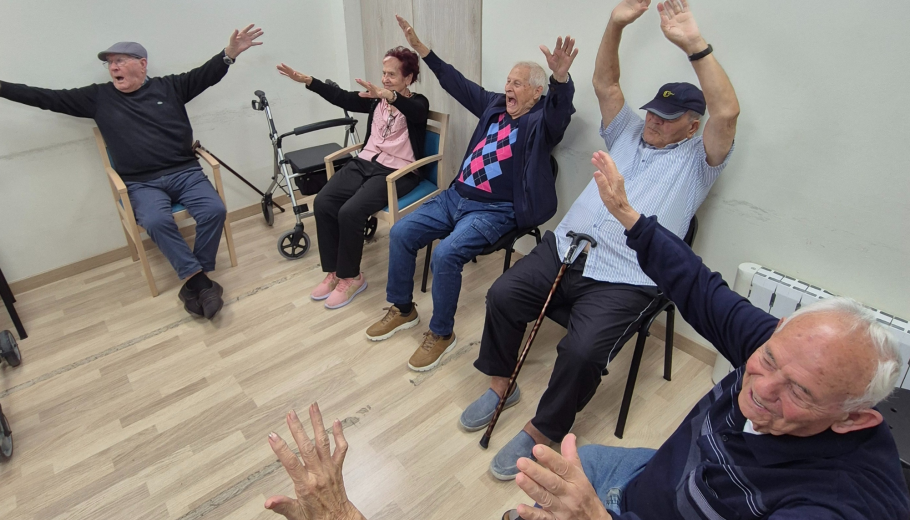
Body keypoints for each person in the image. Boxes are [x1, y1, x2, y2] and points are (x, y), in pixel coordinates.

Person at [501, 150, 910, 520]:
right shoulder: (776, 347)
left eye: (800, 393)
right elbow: (700, 287)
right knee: (584, 460)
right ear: (779, 329)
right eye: (768, 359)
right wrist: (627, 215)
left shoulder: (842, 501)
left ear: (852, 418)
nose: (762, 388)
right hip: (659, 478)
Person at [463, 0, 741, 481]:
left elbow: (729, 111)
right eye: (653, 110)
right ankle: (501, 384)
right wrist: (614, 24)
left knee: (582, 351)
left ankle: (541, 430)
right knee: (502, 294)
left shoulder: (701, 160)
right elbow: (606, 85)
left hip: (628, 277)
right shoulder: (630, 131)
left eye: (667, 117)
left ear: (693, 125)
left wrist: (695, 45)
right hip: (566, 248)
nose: (653, 120)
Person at [0, 26, 263, 319]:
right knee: (155, 220)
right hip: (141, 183)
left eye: (120, 60)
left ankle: (194, 281)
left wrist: (230, 54)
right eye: (110, 63)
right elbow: (44, 97)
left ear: (142, 64)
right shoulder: (97, 97)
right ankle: (201, 282)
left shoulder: (171, 87)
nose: (113, 67)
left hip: (185, 172)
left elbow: (206, 74)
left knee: (214, 210)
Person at [364, 15, 577, 373]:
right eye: (508, 80)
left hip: (494, 211)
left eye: (519, 83)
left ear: (536, 93)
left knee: (446, 254)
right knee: (401, 232)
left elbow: (560, 111)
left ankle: (442, 334)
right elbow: (456, 83)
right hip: (455, 197)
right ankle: (403, 308)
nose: (509, 87)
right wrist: (421, 50)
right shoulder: (494, 106)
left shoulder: (542, 123)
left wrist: (560, 80)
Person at [277, 48, 429, 309]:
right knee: (323, 201)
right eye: (383, 73)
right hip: (365, 162)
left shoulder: (418, 103)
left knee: (350, 212)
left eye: (392, 74)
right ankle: (335, 272)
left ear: (409, 77)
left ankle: (353, 278)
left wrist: (390, 96)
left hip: (397, 172)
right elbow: (343, 98)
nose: (385, 79)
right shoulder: (375, 101)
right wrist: (309, 82)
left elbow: (415, 112)